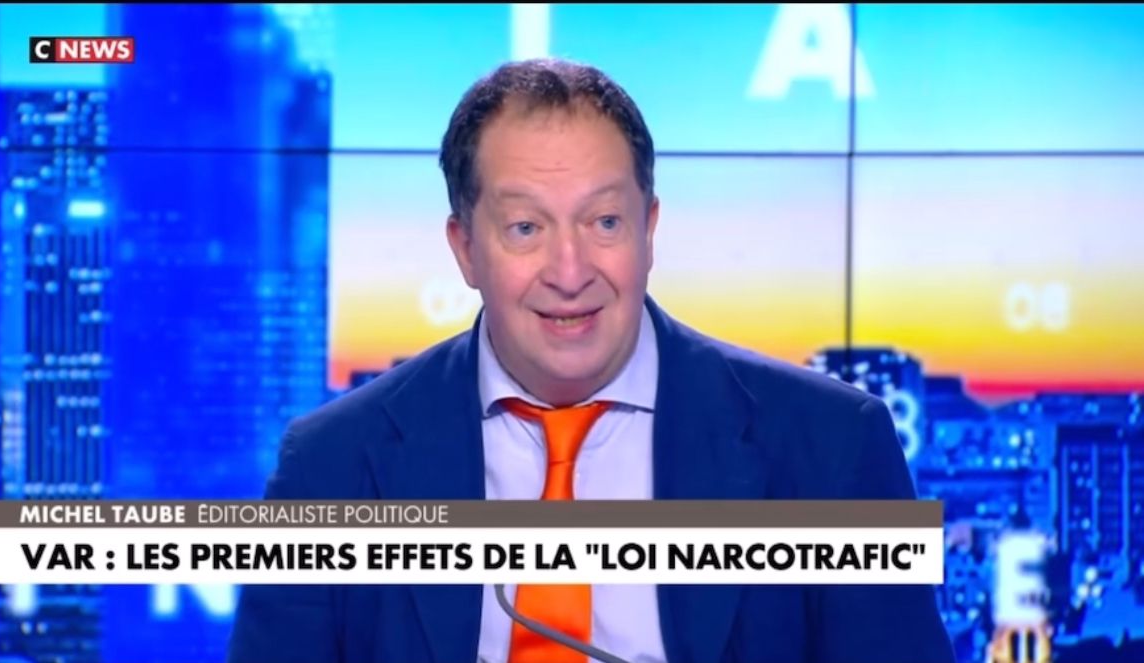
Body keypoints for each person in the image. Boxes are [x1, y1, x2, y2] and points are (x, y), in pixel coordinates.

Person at [228, 58, 954, 663]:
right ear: (464, 248)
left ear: (649, 229)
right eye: (525, 228)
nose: (570, 271)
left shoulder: (832, 448)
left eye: (604, 221)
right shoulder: (331, 465)